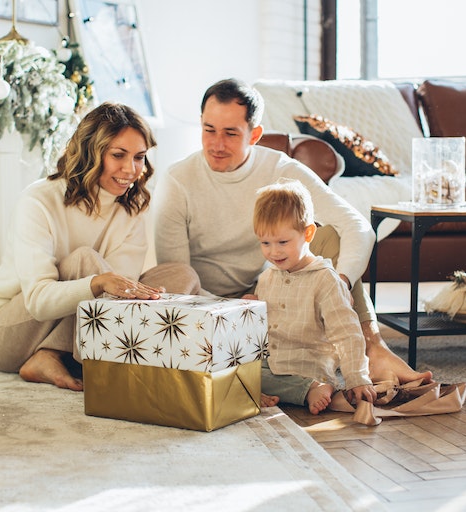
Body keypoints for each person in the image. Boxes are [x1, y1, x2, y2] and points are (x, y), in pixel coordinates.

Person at [153, 78, 431, 413]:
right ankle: (293, 377)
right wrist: (236, 313)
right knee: (180, 281)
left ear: (254, 135)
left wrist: (340, 285)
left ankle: (373, 348)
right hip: (212, 307)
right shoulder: (177, 180)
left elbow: (356, 226)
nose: (216, 144)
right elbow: (178, 281)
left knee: (332, 237)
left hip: (271, 288)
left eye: (231, 133)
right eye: (209, 130)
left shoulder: (279, 169)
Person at [0, 102, 200, 391]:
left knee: (181, 275)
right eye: (118, 155)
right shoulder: (39, 200)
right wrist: (96, 282)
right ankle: (99, 364)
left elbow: (120, 298)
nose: (131, 169)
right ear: (90, 152)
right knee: (85, 262)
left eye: (139, 157)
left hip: (79, 330)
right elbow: (38, 301)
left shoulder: (132, 206)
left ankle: (55, 355)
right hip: (10, 332)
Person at [252, 179, 377, 410]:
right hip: (272, 363)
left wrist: (356, 378)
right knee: (231, 372)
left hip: (307, 365)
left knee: (251, 381)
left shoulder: (326, 280)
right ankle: (263, 388)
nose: (274, 251)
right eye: (265, 243)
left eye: (282, 242)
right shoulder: (267, 277)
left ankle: (311, 389)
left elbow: (347, 333)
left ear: (308, 233)